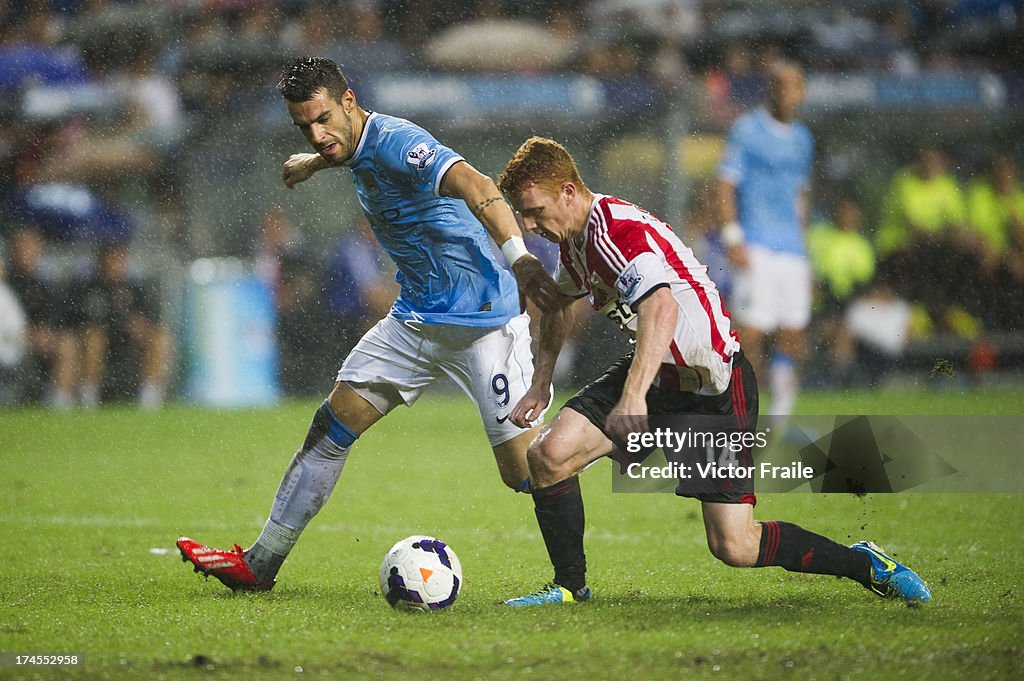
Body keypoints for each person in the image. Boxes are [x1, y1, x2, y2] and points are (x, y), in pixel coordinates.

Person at [177, 56, 561, 591]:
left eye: (323, 119)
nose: (316, 133)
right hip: (414, 322)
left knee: (529, 471)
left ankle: (606, 436)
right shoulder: (349, 143)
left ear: (349, 101)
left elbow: (476, 185)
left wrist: (518, 256)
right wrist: (314, 163)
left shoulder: (401, 140)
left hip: (483, 324)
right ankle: (259, 565)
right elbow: (355, 150)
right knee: (331, 427)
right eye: (304, 127)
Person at [495, 136, 930, 606]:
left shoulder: (613, 231)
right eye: (523, 214)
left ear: (566, 191)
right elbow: (558, 304)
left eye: (535, 210)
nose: (530, 224)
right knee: (549, 454)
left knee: (734, 546)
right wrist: (541, 382)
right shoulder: (576, 244)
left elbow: (660, 308)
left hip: (713, 390)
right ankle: (568, 586)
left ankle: (865, 564)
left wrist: (633, 398)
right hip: (656, 374)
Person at [715, 61, 813, 421]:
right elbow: (725, 183)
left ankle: (781, 412)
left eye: (794, 86)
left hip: (792, 248)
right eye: (780, 85)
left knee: (794, 330)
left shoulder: (803, 139)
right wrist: (733, 235)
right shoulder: (747, 130)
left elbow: (800, 195)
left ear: (802, 92)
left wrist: (806, 250)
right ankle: (741, 404)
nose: (787, 93)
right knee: (752, 330)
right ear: (770, 90)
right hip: (756, 242)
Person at [73, 242, 172, 409]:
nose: (115, 264)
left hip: (131, 342)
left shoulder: (135, 288)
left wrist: (142, 328)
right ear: (101, 261)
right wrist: (123, 325)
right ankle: (88, 399)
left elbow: (152, 317)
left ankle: (150, 399)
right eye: (111, 258)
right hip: (105, 343)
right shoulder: (92, 289)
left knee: (161, 337)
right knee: (94, 338)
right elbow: (88, 320)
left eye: (119, 259)